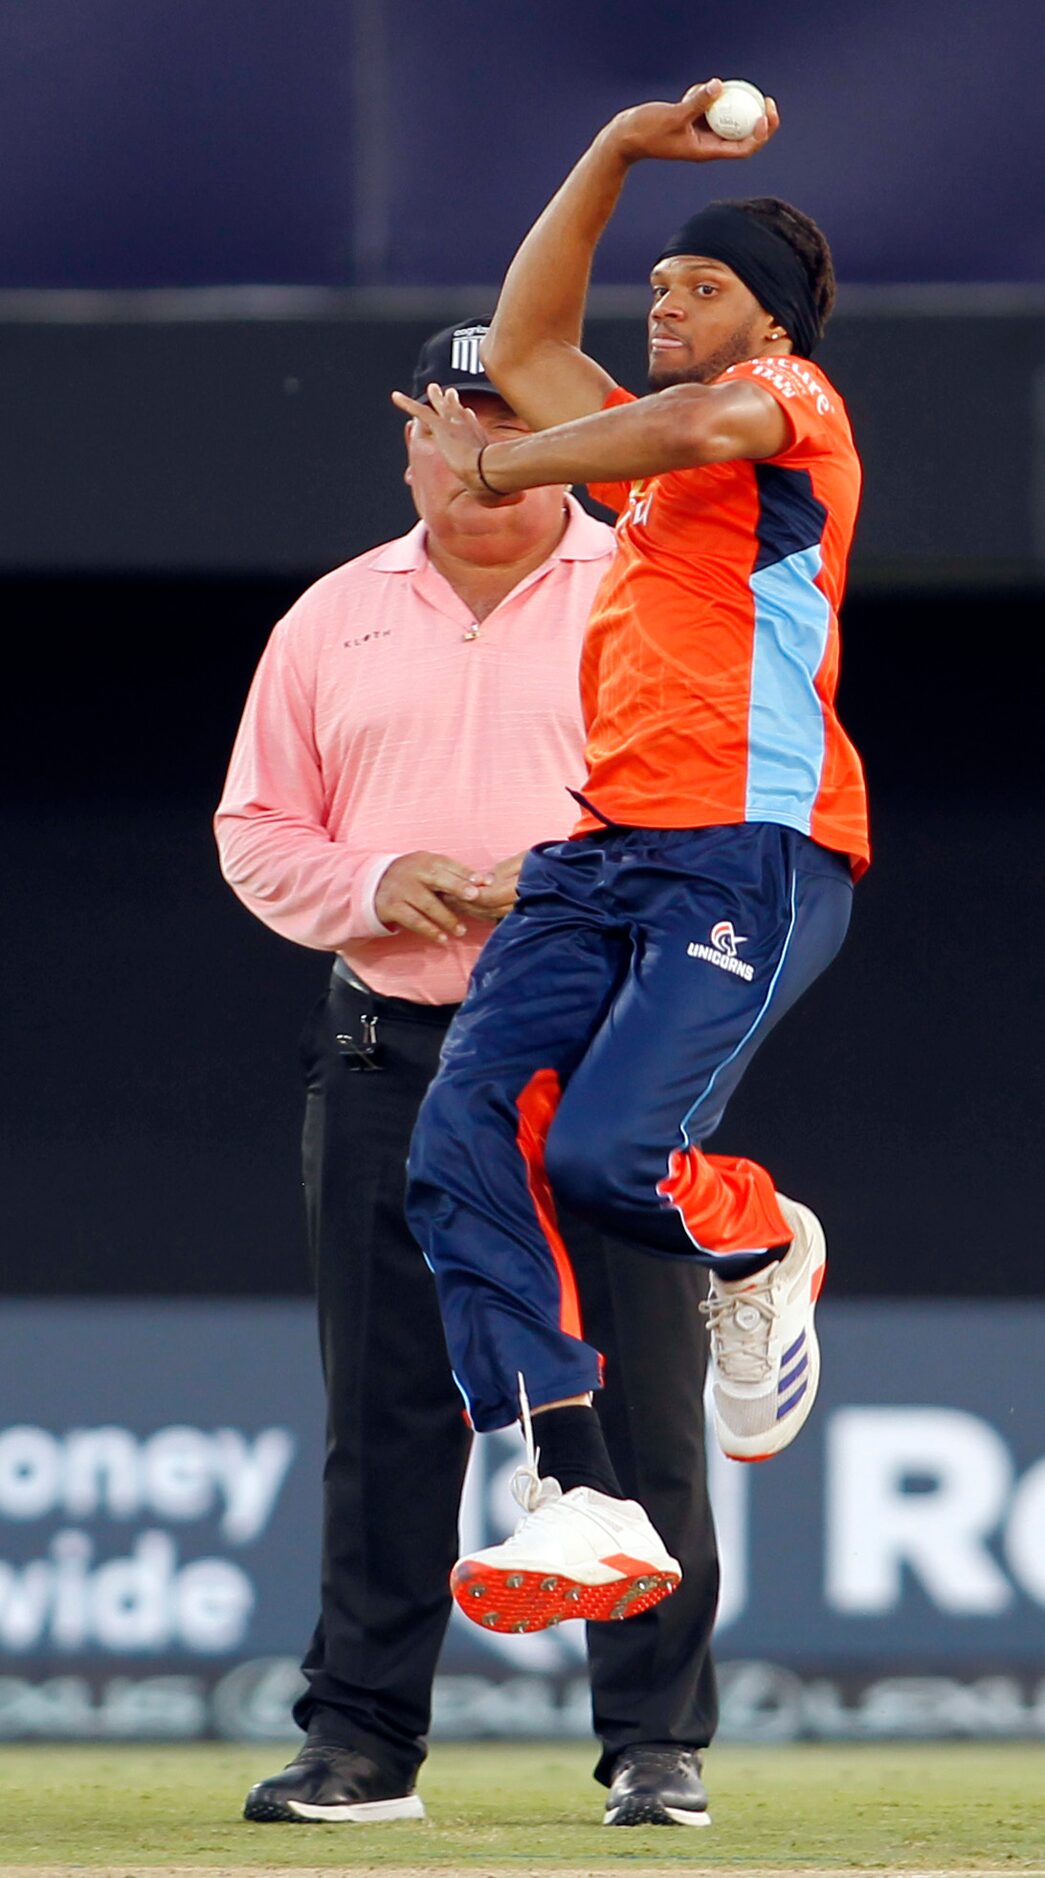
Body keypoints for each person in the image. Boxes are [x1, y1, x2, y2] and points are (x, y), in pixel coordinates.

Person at [215, 322, 721, 1831]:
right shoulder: (330, 618)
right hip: (394, 1046)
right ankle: (362, 1745)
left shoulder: (647, 592)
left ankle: (654, 1740)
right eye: (460, 421)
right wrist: (384, 878)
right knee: (386, 1414)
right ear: (409, 434)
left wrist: (567, 882)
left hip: (600, 1057)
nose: (489, 453)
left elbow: (712, 824)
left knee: (639, 1407)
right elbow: (257, 832)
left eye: (519, 423)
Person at [395, 82, 869, 1637]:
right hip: (603, 852)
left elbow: (657, 416)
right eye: (658, 285)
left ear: (773, 317)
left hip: (754, 849)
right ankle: (575, 1482)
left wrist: (506, 469)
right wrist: (603, 150)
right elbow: (530, 355)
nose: (665, 306)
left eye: (699, 287)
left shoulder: (789, 407)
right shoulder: (657, 473)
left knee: (606, 1157)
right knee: (460, 1132)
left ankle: (754, 1230)